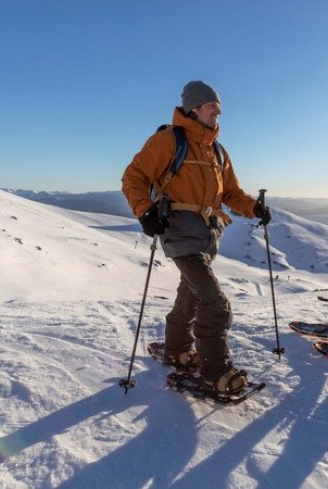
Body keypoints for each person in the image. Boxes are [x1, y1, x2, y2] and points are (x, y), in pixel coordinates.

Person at [121, 80, 270, 396]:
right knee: (215, 304)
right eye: (211, 106)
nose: (218, 112)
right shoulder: (167, 141)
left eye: (218, 107)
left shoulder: (217, 150)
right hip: (178, 231)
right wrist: (145, 211)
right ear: (194, 108)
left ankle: (176, 349)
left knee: (190, 294)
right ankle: (214, 371)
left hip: (207, 234)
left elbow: (231, 192)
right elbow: (134, 177)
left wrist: (254, 208)